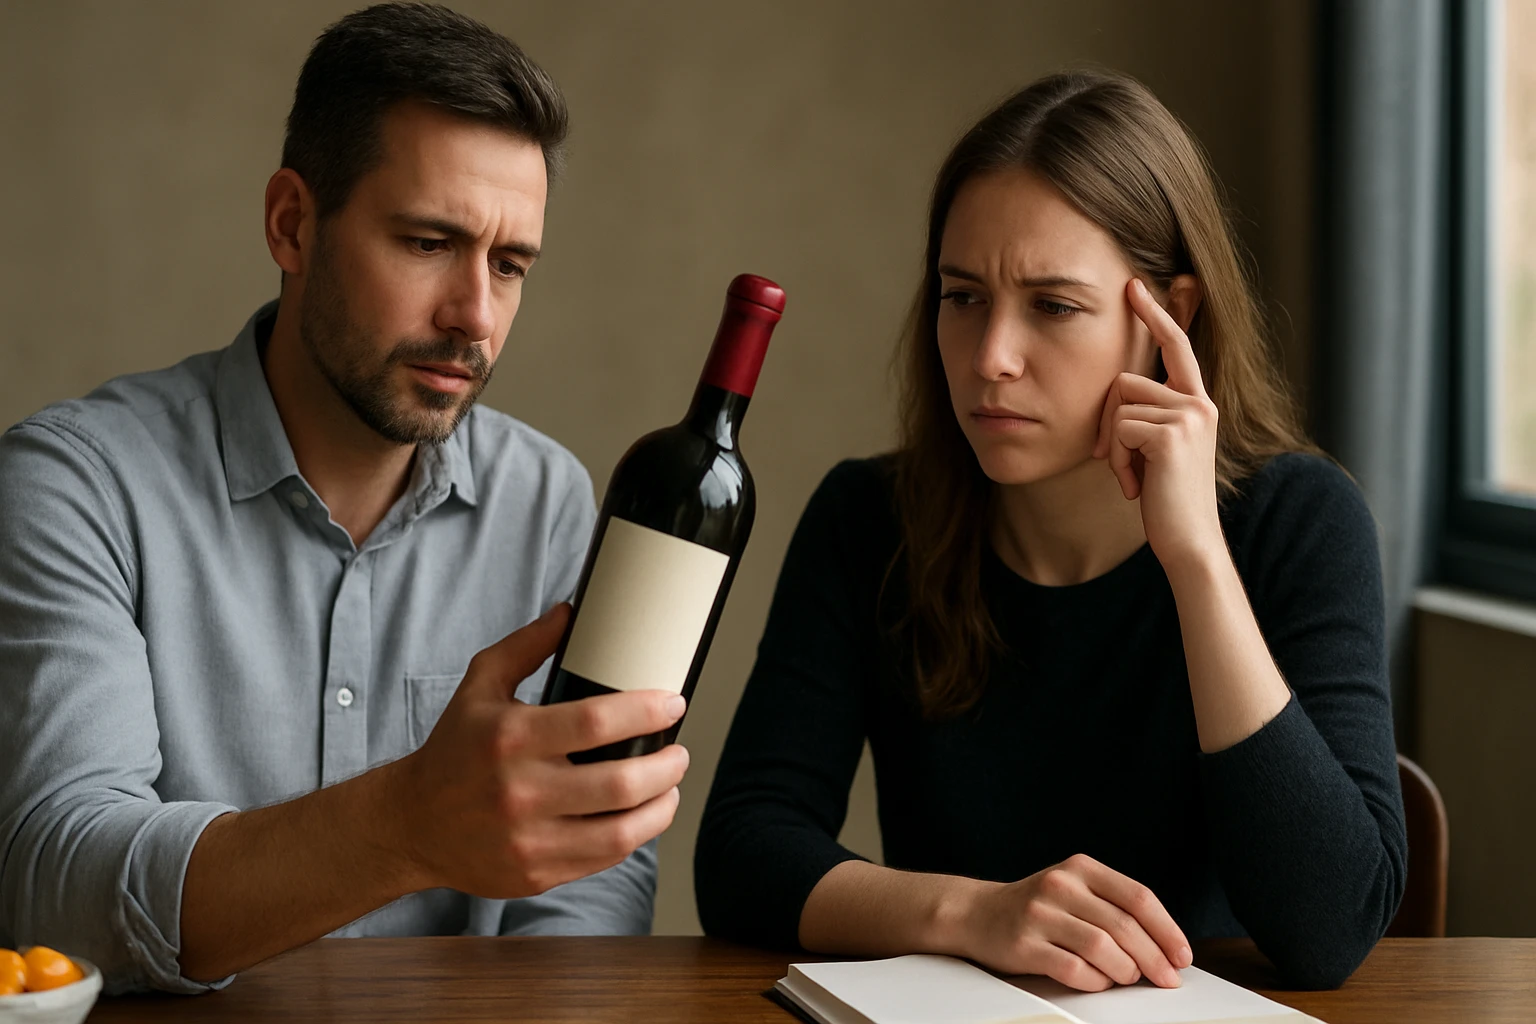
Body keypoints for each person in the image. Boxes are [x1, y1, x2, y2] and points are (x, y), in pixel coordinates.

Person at [0, 2, 692, 995]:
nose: (475, 317)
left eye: (510, 265)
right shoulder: (77, 485)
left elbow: (589, 877)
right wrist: (407, 822)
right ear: (292, 223)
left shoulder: (545, 500)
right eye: (426, 243)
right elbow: (56, 877)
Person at [695, 69, 1406, 992]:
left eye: (1053, 306)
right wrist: (970, 913)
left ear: (1169, 320)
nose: (992, 358)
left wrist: (1194, 559)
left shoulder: (1300, 521)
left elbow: (1332, 929)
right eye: (963, 297)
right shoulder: (868, 520)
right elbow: (744, 852)